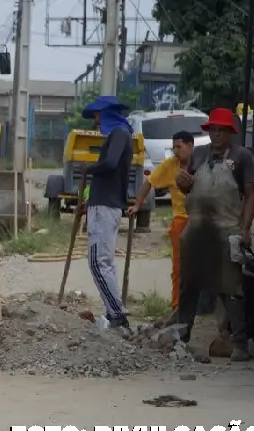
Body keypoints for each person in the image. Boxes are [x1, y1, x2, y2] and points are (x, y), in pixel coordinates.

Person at [173, 108, 254, 361]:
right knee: (188, 284)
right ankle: (182, 337)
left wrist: (245, 228)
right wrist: (183, 183)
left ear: (231, 132)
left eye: (222, 130)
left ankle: (240, 344)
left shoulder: (242, 157)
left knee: (230, 288)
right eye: (213, 129)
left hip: (226, 227)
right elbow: (189, 188)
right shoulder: (199, 154)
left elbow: (251, 194)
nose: (217, 134)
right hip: (197, 226)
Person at [79, 96, 134, 330]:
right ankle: (114, 313)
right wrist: (88, 200)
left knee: (98, 261)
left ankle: (117, 314)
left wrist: (88, 168)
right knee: (103, 262)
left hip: (105, 206)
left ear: (108, 114)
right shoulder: (117, 135)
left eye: (98, 116)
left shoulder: (120, 133)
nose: (96, 122)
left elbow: (110, 165)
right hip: (101, 203)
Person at [128, 131, 195, 311]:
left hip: (202, 220)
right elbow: (149, 182)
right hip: (181, 220)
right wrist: (138, 204)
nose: (175, 151)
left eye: (179, 147)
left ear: (190, 146)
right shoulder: (170, 165)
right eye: (174, 147)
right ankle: (177, 306)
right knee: (179, 267)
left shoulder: (202, 163)